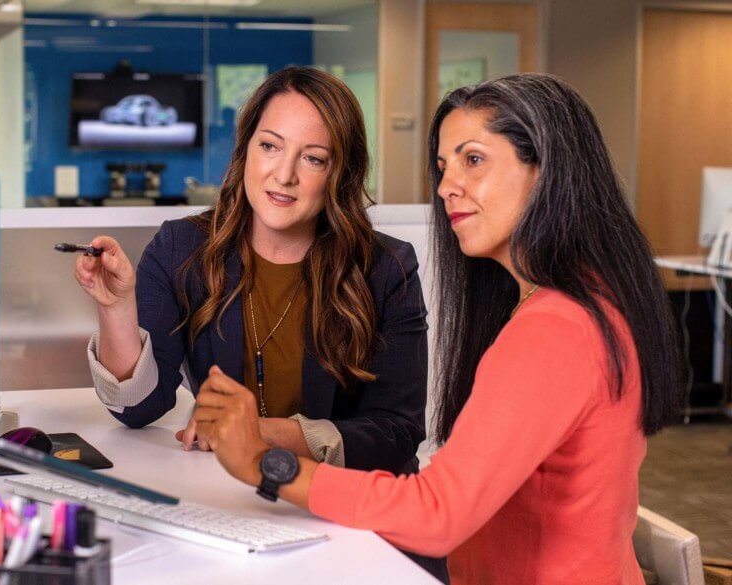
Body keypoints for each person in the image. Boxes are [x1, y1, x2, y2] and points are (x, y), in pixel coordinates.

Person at [191, 73, 683, 584]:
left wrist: (264, 464)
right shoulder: (591, 297)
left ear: (546, 172)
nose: (447, 186)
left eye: (474, 159)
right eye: (444, 166)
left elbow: (438, 515)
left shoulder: (556, 328)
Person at [74, 66, 447, 580]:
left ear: (340, 172)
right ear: (246, 149)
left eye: (312, 158)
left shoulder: (386, 267)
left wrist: (263, 437)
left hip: (354, 522)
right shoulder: (182, 249)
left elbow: (397, 432)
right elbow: (140, 408)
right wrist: (116, 307)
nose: (284, 175)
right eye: (270, 146)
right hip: (237, 513)